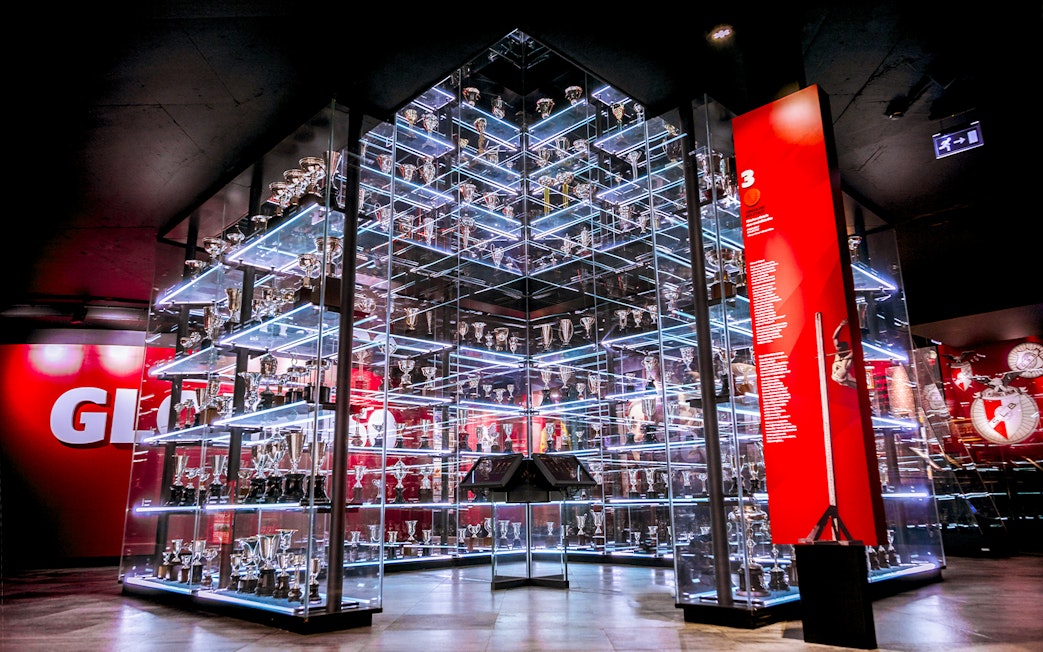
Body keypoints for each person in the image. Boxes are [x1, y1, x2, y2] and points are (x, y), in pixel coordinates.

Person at [831, 319, 857, 388]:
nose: (838, 348)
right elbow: (834, 338)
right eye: (838, 348)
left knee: (847, 361)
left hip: (844, 377)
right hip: (837, 375)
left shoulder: (848, 356)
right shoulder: (838, 352)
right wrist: (840, 326)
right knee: (846, 363)